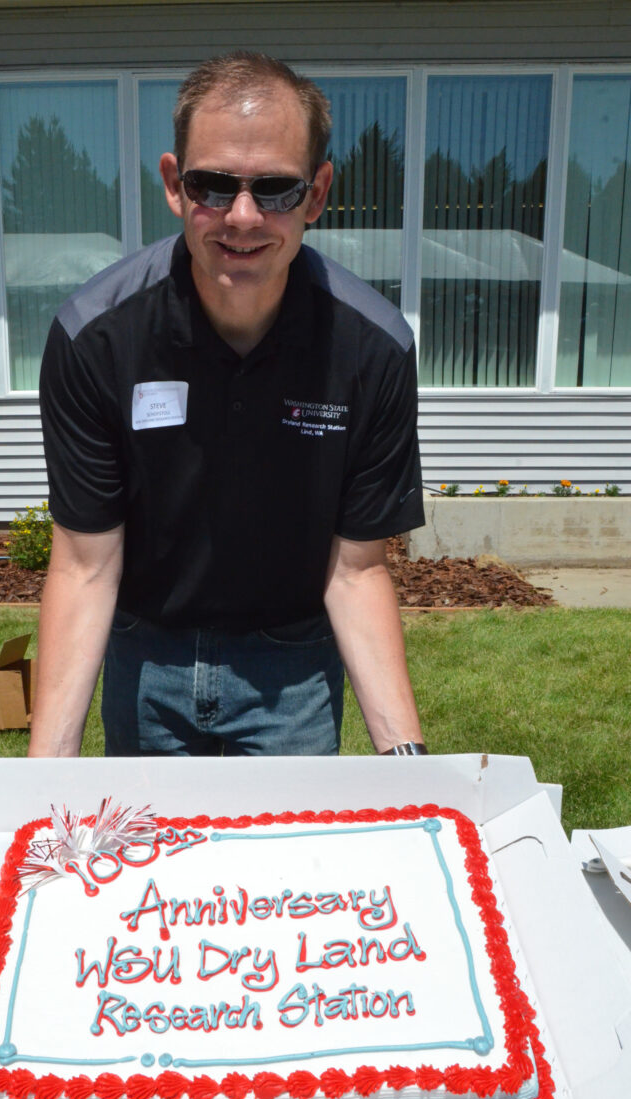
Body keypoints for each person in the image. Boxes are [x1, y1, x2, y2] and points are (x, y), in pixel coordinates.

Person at [28, 51, 427, 759]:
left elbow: (357, 569)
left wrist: (407, 760)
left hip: (293, 667)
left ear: (317, 194)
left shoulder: (373, 350)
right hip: (144, 656)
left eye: (275, 189)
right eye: (215, 185)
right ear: (175, 185)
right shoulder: (95, 337)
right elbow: (86, 565)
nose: (242, 218)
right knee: (148, 865)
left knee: (288, 865)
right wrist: (43, 780)